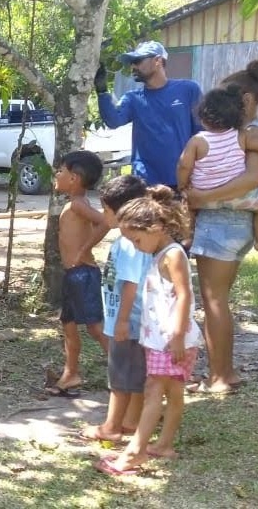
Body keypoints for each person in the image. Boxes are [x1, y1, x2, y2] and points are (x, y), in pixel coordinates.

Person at [184, 60, 258, 394]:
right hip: (234, 224)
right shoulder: (243, 134)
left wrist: (202, 196)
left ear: (248, 101)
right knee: (218, 300)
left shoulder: (253, 132)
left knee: (214, 302)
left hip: (221, 223)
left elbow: (254, 178)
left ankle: (220, 377)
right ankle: (225, 372)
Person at [96, 186, 203, 475]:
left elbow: (184, 296)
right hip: (160, 339)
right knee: (173, 392)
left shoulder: (172, 255)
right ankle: (163, 445)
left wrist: (178, 335)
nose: (136, 245)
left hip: (171, 340)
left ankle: (135, 452)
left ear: (155, 228)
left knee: (155, 389)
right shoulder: (160, 253)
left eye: (137, 239)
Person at [80, 175, 152, 443]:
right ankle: (132, 422)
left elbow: (131, 284)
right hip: (132, 321)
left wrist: (121, 322)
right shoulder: (135, 240)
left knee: (120, 379)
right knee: (134, 376)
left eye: (106, 210)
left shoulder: (129, 244)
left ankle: (111, 427)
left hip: (128, 322)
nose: (103, 215)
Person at [177, 84, 258, 256]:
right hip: (240, 196)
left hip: (203, 196)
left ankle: (188, 237)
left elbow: (184, 165)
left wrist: (183, 185)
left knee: (187, 207)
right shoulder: (241, 136)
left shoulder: (198, 140)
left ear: (203, 118)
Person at [95, 41, 203, 188]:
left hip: (182, 180)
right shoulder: (133, 98)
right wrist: (101, 91)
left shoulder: (188, 89)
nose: (133, 67)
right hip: (145, 183)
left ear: (158, 60)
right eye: (132, 62)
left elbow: (201, 132)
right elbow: (113, 121)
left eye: (138, 61)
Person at [49, 150, 108, 397]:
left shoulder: (77, 205)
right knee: (69, 326)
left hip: (84, 273)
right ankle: (70, 374)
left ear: (74, 178)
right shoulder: (75, 204)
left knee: (95, 327)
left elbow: (107, 222)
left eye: (61, 171)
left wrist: (84, 249)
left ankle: (127, 368)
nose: (57, 174)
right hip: (73, 276)